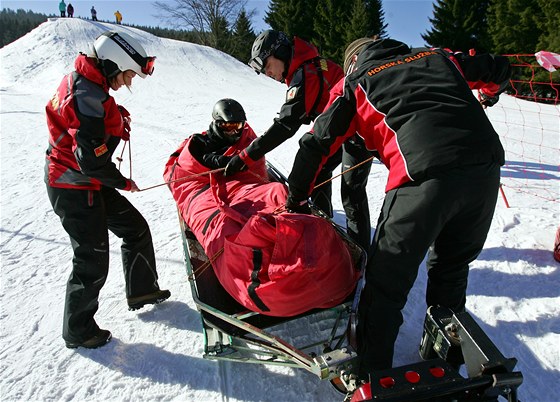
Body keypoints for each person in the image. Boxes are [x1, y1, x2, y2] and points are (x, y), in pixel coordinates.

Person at [285, 37, 511, 376]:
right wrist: (491, 92)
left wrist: (297, 198)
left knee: (386, 284)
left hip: (421, 174)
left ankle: (372, 375)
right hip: (485, 167)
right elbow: (498, 67)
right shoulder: (440, 56)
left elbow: (317, 142)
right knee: (451, 267)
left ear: (353, 60)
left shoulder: (355, 80)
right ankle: (444, 360)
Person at [45, 31, 168, 350]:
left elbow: (90, 136)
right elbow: (91, 162)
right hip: (72, 184)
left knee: (135, 228)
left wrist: (113, 119)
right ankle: (78, 329)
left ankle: (143, 291)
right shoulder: (87, 95)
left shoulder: (88, 83)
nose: (129, 81)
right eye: (128, 74)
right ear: (114, 63)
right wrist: (125, 182)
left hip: (86, 179)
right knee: (91, 258)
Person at [224, 30, 374, 251]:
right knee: (318, 172)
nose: (268, 73)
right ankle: (325, 226)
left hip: (358, 132)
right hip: (337, 130)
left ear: (280, 53)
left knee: (352, 192)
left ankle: (362, 255)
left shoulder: (307, 73)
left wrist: (245, 156)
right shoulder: (305, 67)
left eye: (267, 66)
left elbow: (285, 125)